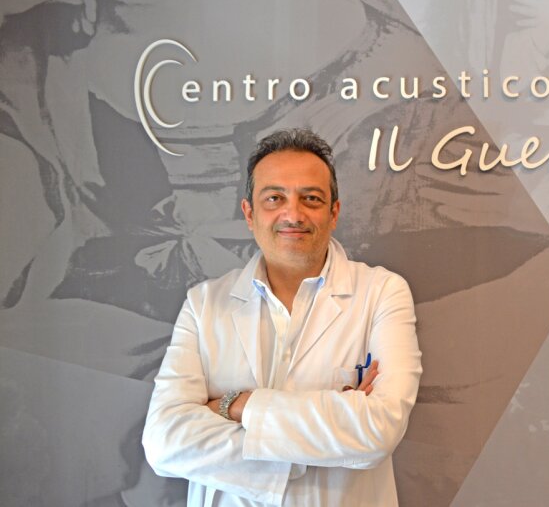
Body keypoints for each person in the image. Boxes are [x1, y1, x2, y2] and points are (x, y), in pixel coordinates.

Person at [142, 128, 423, 507]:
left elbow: (379, 431)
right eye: (274, 198)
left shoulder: (382, 292)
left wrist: (236, 405)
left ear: (334, 213)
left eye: (311, 198)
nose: (293, 214)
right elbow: (164, 442)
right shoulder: (204, 304)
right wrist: (328, 430)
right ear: (249, 213)